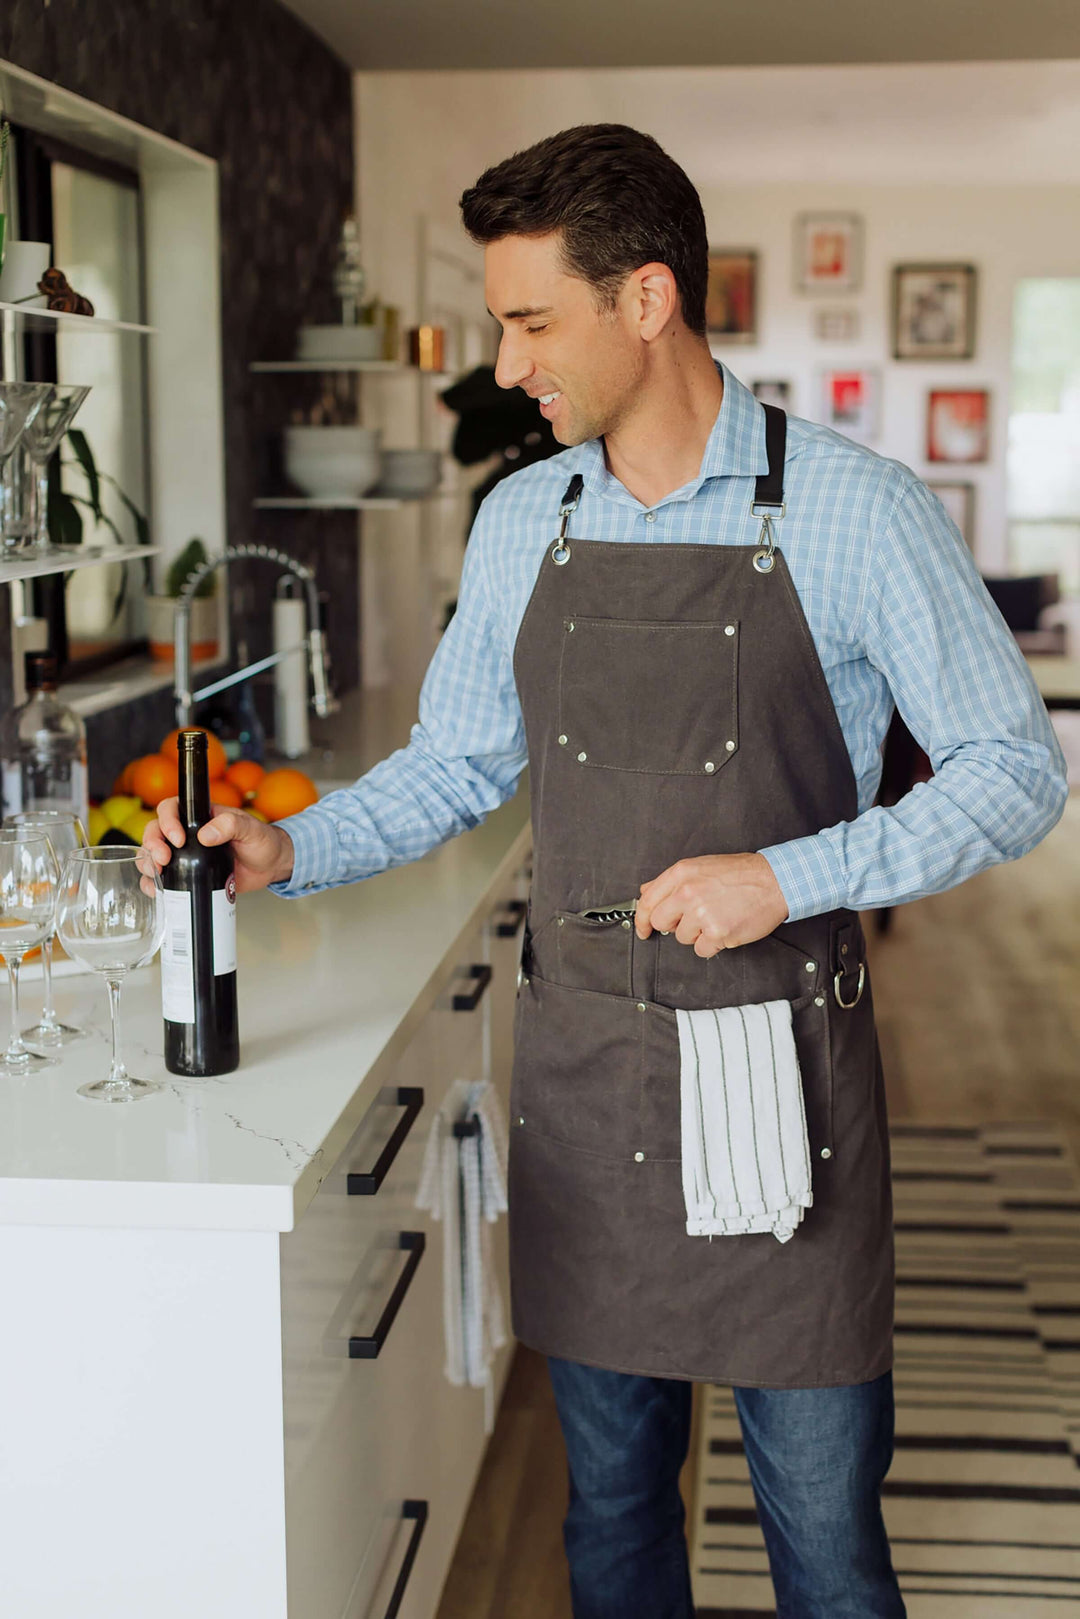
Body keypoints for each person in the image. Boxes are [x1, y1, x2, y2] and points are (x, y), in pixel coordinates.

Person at [144, 125, 1068, 1619]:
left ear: (647, 301)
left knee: (823, 1536)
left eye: (531, 323)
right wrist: (286, 843)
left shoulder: (856, 511)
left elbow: (1020, 772)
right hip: (589, 1085)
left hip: (783, 1075)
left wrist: (787, 875)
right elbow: (458, 763)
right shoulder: (524, 522)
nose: (509, 367)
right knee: (615, 1520)